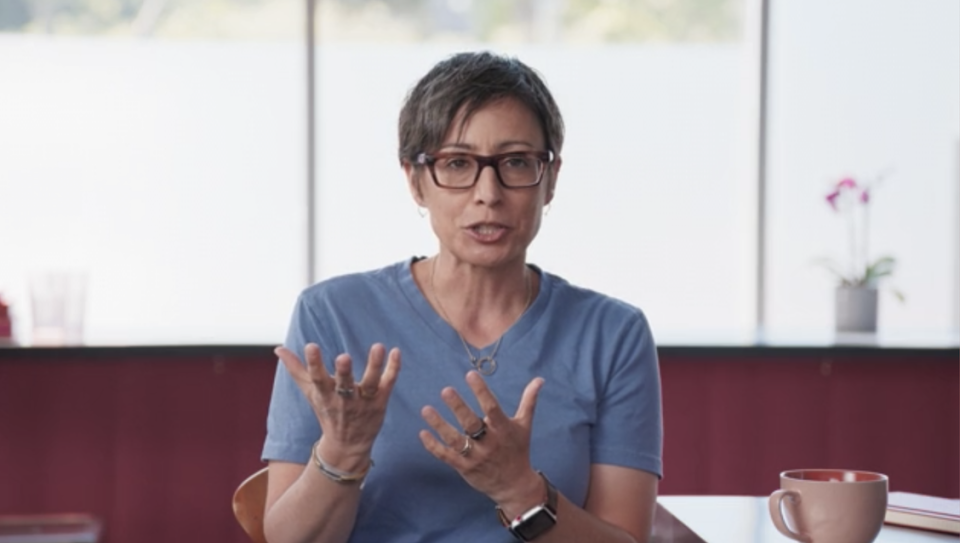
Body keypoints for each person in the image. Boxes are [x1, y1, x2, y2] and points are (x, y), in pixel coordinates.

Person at [261, 51, 663, 543]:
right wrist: (342, 453)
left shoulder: (612, 334)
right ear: (415, 180)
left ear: (551, 179)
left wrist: (521, 492)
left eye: (516, 162)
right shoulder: (332, 316)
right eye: (457, 163)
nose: (488, 193)